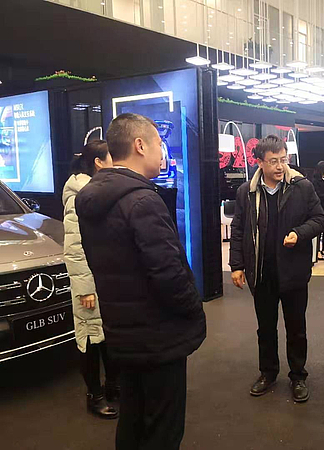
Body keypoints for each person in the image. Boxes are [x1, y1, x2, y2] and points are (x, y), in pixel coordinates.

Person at [76, 113, 206, 450]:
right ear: (139, 145)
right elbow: (169, 274)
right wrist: (193, 310)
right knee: (163, 428)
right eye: (159, 144)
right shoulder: (143, 200)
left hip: (123, 332)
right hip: (158, 336)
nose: (163, 152)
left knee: (133, 419)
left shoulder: (92, 198)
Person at [229, 135, 324, 402]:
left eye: (283, 159)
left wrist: (299, 233)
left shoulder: (301, 187)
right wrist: (237, 264)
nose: (280, 166)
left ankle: (298, 376)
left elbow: (319, 218)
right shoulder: (247, 192)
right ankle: (268, 372)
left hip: (293, 272)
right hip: (261, 272)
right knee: (265, 328)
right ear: (259, 162)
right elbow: (238, 229)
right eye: (273, 161)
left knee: (296, 328)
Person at [62, 140, 119, 420]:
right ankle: (94, 395)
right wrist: (85, 288)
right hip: (89, 284)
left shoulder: (98, 192)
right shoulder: (79, 195)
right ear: (98, 162)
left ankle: (113, 386)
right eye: (111, 158)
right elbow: (74, 247)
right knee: (89, 338)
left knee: (106, 335)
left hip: (105, 280)